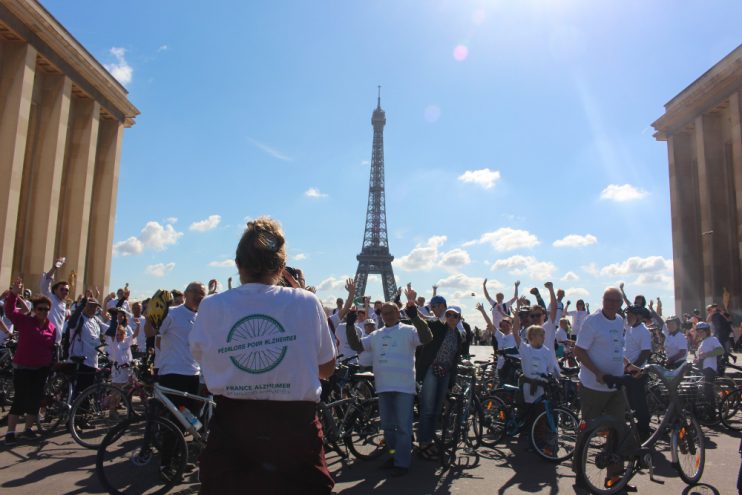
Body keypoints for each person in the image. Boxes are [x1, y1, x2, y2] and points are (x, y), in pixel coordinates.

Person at [190, 217, 337, 494]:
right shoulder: (306, 302)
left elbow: (204, 361)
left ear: (238, 264)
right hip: (296, 436)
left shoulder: (211, 306)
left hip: (233, 433)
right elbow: (327, 368)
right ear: (281, 267)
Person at [345, 285, 432, 475]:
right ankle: (394, 454)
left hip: (404, 387)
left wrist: (415, 316)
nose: (388, 315)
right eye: (384, 313)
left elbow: (426, 338)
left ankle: (402, 462)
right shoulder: (376, 335)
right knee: (387, 427)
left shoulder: (408, 330)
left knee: (402, 426)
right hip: (383, 386)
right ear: (381, 315)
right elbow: (356, 345)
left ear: (398, 312)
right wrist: (350, 325)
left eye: (391, 312)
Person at [574, 287, 631, 488]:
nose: (612, 303)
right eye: (608, 299)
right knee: (588, 429)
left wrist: (628, 365)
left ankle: (615, 476)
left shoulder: (619, 321)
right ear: (603, 300)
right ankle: (580, 473)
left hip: (615, 384)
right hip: (593, 386)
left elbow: (616, 348)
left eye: (616, 300)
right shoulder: (592, 321)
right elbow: (579, 350)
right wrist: (597, 372)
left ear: (621, 304)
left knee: (618, 430)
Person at [4, 278, 58, 444]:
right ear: (34, 309)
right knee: (20, 398)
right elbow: (10, 312)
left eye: (46, 309)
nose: (43, 312)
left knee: (35, 398)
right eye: (40, 309)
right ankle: (11, 432)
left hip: (41, 368)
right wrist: (14, 294)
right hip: (23, 366)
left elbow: (51, 347)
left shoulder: (51, 328)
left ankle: (28, 429)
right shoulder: (26, 321)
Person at [414, 298, 463, 462]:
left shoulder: (458, 336)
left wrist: (452, 380)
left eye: (455, 316)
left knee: (436, 410)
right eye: (448, 314)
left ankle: (428, 440)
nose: (451, 318)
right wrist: (412, 307)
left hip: (445, 373)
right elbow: (422, 324)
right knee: (427, 408)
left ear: (459, 319)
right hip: (432, 371)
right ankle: (423, 443)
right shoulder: (437, 327)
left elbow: (454, 360)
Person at [157, 282, 205, 406]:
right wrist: (150, 318)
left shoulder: (202, 317)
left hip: (194, 375)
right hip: (172, 373)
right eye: (195, 292)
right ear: (185, 294)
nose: (199, 296)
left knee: (189, 419)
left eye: (202, 293)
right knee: (171, 419)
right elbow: (153, 334)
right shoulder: (171, 313)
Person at [623, 305, 653, 441]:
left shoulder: (643, 331)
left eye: (630, 316)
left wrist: (634, 368)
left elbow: (645, 352)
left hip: (637, 372)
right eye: (627, 315)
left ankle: (644, 432)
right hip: (627, 370)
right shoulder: (629, 329)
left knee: (639, 403)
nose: (628, 318)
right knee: (628, 402)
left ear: (639, 317)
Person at [695, 322, 724, 420]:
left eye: (702, 331)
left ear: (707, 331)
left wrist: (707, 354)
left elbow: (721, 350)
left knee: (708, 392)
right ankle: (706, 412)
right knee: (704, 391)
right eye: (698, 331)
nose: (700, 333)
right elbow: (701, 356)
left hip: (710, 368)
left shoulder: (713, 339)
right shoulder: (702, 342)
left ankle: (712, 416)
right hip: (703, 369)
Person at [40, 256, 69, 345]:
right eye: (62, 289)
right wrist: (54, 268)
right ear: (55, 290)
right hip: (46, 340)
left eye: (67, 290)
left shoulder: (64, 304)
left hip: (57, 343)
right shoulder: (50, 297)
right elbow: (45, 283)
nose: (64, 292)